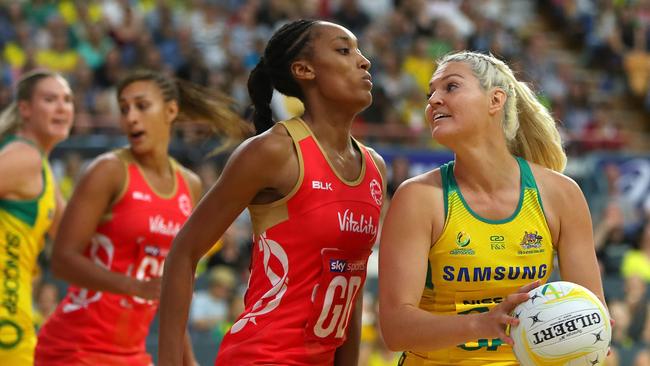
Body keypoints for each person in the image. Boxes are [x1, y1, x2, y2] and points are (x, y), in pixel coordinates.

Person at [158, 19, 386, 366]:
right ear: (304, 70)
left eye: (358, 50)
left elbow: (349, 290)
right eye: (344, 50)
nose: (363, 60)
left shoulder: (374, 167)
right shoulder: (273, 151)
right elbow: (183, 253)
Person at [378, 51, 607, 365]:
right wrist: (481, 324)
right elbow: (395, 329)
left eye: (450, 87)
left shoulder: (560, 194)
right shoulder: (419, 197)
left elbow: (593, 309)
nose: (433, 100)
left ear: (495, 100)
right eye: (430, 92)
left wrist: (591, 333)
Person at [34, 69, 247, 366]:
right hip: (75, 348)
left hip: (132, 353)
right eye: (124, 109)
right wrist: (135, 286)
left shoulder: (190, 185)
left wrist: (189, 360)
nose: (131, 117)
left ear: (171, 110)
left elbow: (169, 289)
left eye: (141, 106)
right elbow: (62, 260)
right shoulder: (108, 170)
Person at [0, 70, 73, 365]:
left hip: (16, 315)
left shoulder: (41, 167)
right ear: (25, 109)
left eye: (67, 100)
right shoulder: (24, 157)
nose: (62, 108)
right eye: (50, 99)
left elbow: (78, 241)